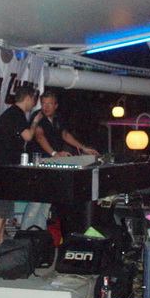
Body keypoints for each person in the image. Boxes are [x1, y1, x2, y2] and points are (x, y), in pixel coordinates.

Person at [22, 89, 99, 230]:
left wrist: (83, 148)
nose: (46, 107)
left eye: (49, 104)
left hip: (52, 164)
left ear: (56, 105)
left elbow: (65, 135)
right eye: (43, 103)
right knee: (36, 201)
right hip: (40, 162)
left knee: (47, 202)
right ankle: (25, 232)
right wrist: (54, 153)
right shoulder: (37, 116)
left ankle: (39, 233)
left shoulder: (57, 118)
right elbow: (39, 136)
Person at [0, 86, 43, 254]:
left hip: (5, 165)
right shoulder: (16, 114)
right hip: (0, 165)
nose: (34, 104)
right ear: (28, 98)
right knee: (0, 203)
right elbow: (28, 136)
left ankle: (0, 241)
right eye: (34, 100)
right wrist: (35, 121)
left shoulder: (13, 114)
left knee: (5, 204)